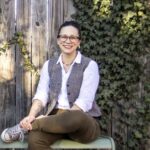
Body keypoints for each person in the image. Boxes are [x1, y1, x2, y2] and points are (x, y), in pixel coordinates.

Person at [1, 20, 101, 150]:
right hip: (54, 121)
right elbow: (41, 95)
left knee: (75, 117)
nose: (68, 40)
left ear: (79, 41)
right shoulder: (49, 65)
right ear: (58, 40)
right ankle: (32, 123)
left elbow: (84, 102)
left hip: (83, 122)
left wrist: (38, 121)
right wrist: (31, 115)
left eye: (73, 37)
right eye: (64, 37)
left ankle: (27, 127)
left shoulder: (89, 65)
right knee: (35, 139)